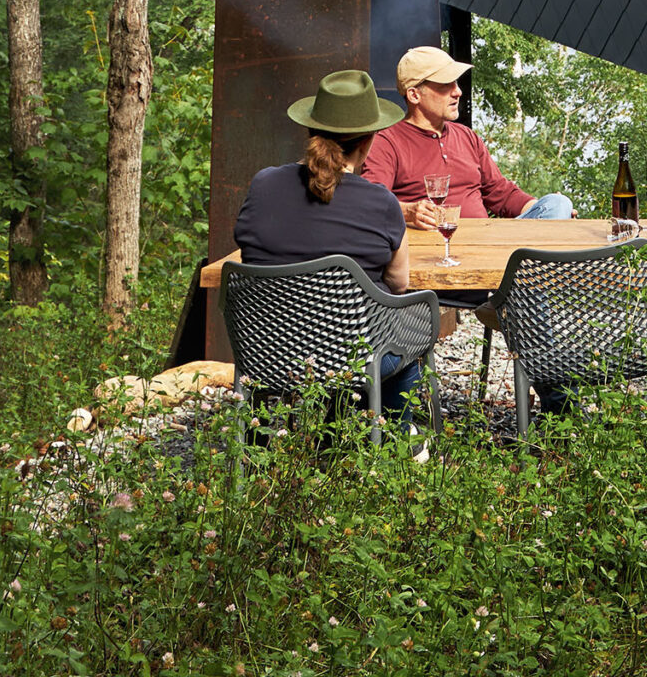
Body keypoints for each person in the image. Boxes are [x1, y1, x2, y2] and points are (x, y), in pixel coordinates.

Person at [232, 67, 427, 424]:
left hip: (267, 352)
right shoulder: (382, 202)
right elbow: (399, 285)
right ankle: (397, 445)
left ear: (310, 130)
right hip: (352, 360)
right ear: (369, 141)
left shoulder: (262, 185)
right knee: (411, 328)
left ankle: (259, 445)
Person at [361, 44, 575, 229]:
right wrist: (408, 212)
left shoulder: (466, 136)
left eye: (456, 83)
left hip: (487, 242)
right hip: (433, 248)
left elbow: (501, 193)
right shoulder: (387, 141)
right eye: (445, 85)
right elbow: (370, 202)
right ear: (414, 95)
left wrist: (548, 214)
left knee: (559, 204)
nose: (457, 92)